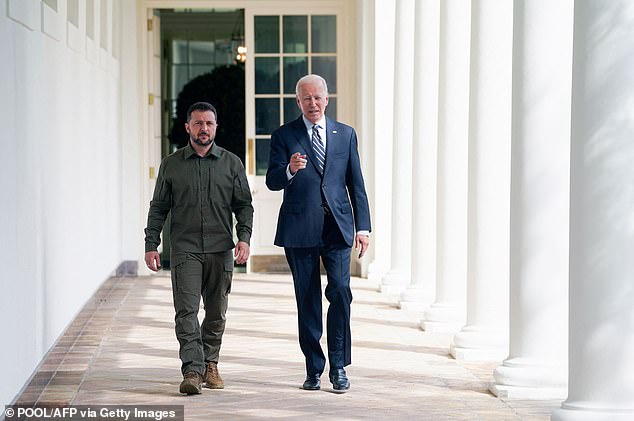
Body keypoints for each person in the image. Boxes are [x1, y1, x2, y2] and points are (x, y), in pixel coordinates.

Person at [266, 74, 371, 393]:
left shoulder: (345, 134)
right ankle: (314, 368)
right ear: (298, 102)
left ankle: (339, 367)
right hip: (300, 229)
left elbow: (356, 183)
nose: (312, 103)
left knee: (340, 292)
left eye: (318, 97)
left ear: (327, 99)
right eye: (306, 98)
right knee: (307, 300)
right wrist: (289, 170)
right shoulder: (284, 135)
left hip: (338, 227)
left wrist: (363, 226)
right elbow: (272, 180)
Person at [144, 101, 253, 395]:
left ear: (215, 127)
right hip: (185, 249)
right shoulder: (171, 164)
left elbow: (244, 205)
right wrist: (151, 243)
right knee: (187, 311)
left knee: (216, 312)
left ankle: (210, 363)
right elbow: (158, 208)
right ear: (187, 127)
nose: (203, 128)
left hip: (221, 248)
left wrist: (244, 238)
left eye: (209, 123)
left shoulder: (232, 163)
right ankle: (192, 370)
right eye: (198, 123)